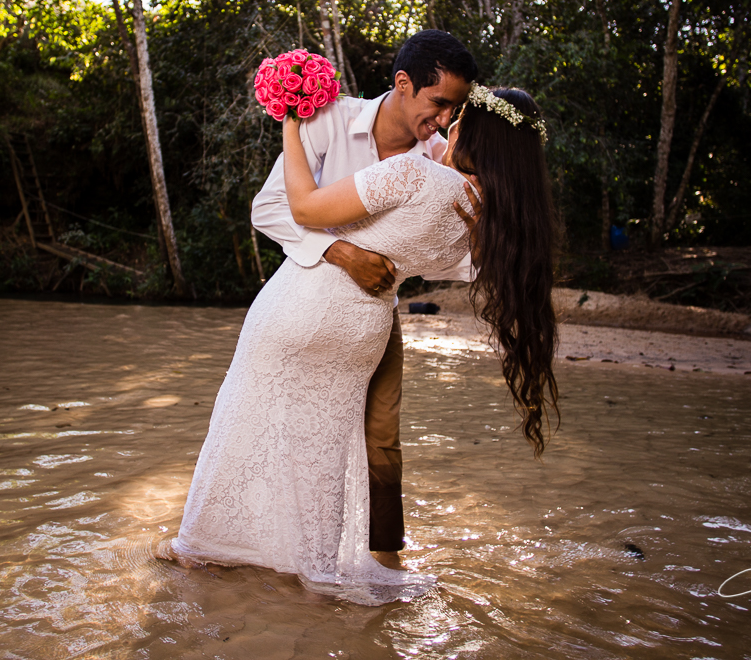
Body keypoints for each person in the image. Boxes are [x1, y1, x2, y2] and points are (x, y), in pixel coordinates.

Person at [158, 85, 560, 606]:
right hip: (365, 328)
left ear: (477, 135)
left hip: (303, 307)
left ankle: (203, 547)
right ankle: (314, 562)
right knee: (327, 447)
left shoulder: (413, 173)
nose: (445, 127)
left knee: (245, 421)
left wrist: (289, 123)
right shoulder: (481, 218)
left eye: (456, 120)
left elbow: (303, 207)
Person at [249, 30, 479, 567]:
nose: (443, 120)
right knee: (289, 426)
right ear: (403, 84)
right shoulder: (329, 118)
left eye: (454, 108)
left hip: (377, 313)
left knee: (382, 433)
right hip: (305, 300)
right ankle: (281, 545)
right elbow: (270, 208)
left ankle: (384, 559)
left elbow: (447, 248)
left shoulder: (441, 157)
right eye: (437, 102)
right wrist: (342, 253)